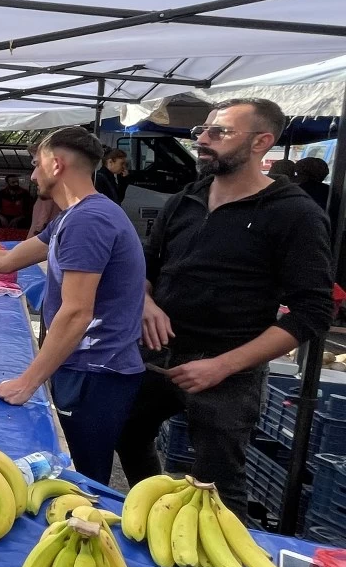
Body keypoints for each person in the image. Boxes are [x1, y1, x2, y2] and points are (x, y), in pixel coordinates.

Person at [118, 98, 335, 516]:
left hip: (228, 369)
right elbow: (147, 264)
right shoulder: (187, 197)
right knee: (127, 434)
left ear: (262, 142)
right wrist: (145, 302)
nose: (202, 139)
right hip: (158, 354)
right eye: (204, 129)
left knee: (218, 482)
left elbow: (312, 311)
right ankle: (156, 516)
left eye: (220, 132)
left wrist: (224, 365)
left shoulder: (294, 214)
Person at [0, 127, 147, 485]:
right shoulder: (75, 216)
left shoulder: (88, 221)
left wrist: (28, 382)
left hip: (95, 370)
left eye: (35, 165)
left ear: (56, 164)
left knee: (85, 477)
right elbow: (8, 261)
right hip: (88, 366)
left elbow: (77, 311)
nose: (32, 175)